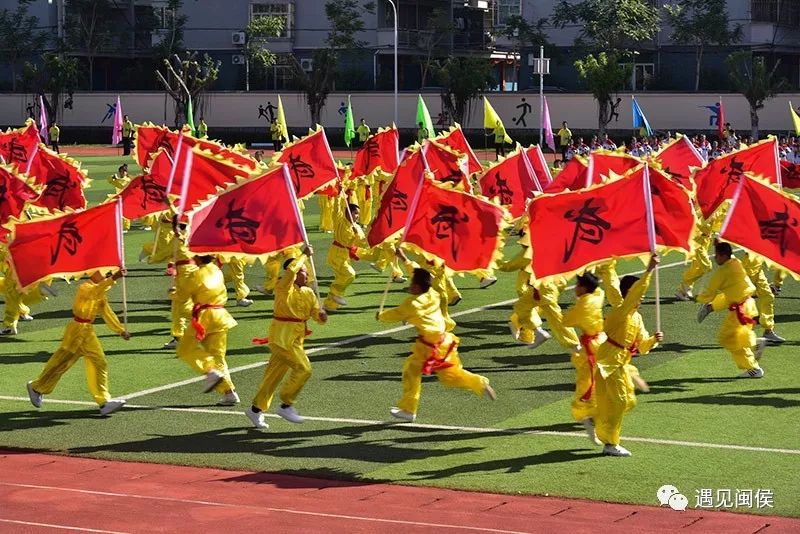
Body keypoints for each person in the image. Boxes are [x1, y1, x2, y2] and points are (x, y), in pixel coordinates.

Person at [377, 267, 496, 422]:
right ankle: (479, 383)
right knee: (451, 375)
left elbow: (396, 314)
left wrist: (381, 316)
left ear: (418, 286)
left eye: (413, 283)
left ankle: (409, 409)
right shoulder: (433, 294)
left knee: (411, 371)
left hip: (429, 346)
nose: (410, 286)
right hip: (445, 341)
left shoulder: (412, 303)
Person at [26, 270, 130, 416]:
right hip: (76, 331)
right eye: (103, 273)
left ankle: (104, 402)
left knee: (99, 363)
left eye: (106, 274)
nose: (105, 276)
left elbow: (107, 313)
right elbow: (95, 291)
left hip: (87, 332)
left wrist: (120, 330)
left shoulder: (100, 293)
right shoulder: (86, 288)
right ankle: (37, 387)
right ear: (92, 274)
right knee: (61, 363)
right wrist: (113, 279)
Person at [246, 248, 327, 429]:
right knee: (304, 368)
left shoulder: (308, 293)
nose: (306, 274)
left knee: (273, 376)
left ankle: (255, 409)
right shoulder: (283, 286)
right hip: (282, 338)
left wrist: (321, 317)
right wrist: (304, 254)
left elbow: (315, 315)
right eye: (303, 272)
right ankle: (286, 404)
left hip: (295, 338)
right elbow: (291, 271)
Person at [594, 255, 663, 456]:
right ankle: (611, 443)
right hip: (609, 360)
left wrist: (654, 339)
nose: (641, 298)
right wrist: (649, 270)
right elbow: (635, 296)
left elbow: (641, 346)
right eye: (637, 294)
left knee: (625, 401)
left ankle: (600, 424)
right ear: (628, 293)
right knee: (621, 400)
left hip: (621, 362)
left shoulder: (637, 317)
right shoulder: (620, 311)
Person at [175, 254, 240, 405]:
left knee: (184, 350)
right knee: (218, 357)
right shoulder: (217, 270)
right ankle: (229, 392)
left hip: (205, 317)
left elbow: (183, 297)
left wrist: (174, 288)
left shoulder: (196, 274)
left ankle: (209, 370)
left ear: (198, 258)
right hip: (221, 316)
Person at [696, 242, 767, 377]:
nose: (715, 258)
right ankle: (754, 345)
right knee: (739, 336)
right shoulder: (736, 261)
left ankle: (753, 367)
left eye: (716, 255)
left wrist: (699, 299)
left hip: (740, 310)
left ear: (723, 256)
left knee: (727, 339)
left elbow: (709, 292)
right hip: (749, 305)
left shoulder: (722, 272)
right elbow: (727, 297)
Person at [562, 272, 605, 445]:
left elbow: (566, 321)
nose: (575, 288)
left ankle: (588, 417)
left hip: (591, 349)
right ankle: (593, 416)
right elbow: (600, 291)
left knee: (586, 385)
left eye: (578, 285)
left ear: (584, 287)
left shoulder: (583, 306)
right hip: (602, 342)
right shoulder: (597, 296)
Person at [323, 200, 366, 311]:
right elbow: (336, 209)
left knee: (341, 278)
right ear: (348, 212)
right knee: (350, 274)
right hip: (336, 254)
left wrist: (357, 234)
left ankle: (329, 305)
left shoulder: (357, 227)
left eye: (358, 214)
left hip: (346, 255)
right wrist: (339, 195)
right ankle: (334, 293)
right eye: (355, 213)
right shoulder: (340, 221)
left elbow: (362, 242)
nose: (357, 216)